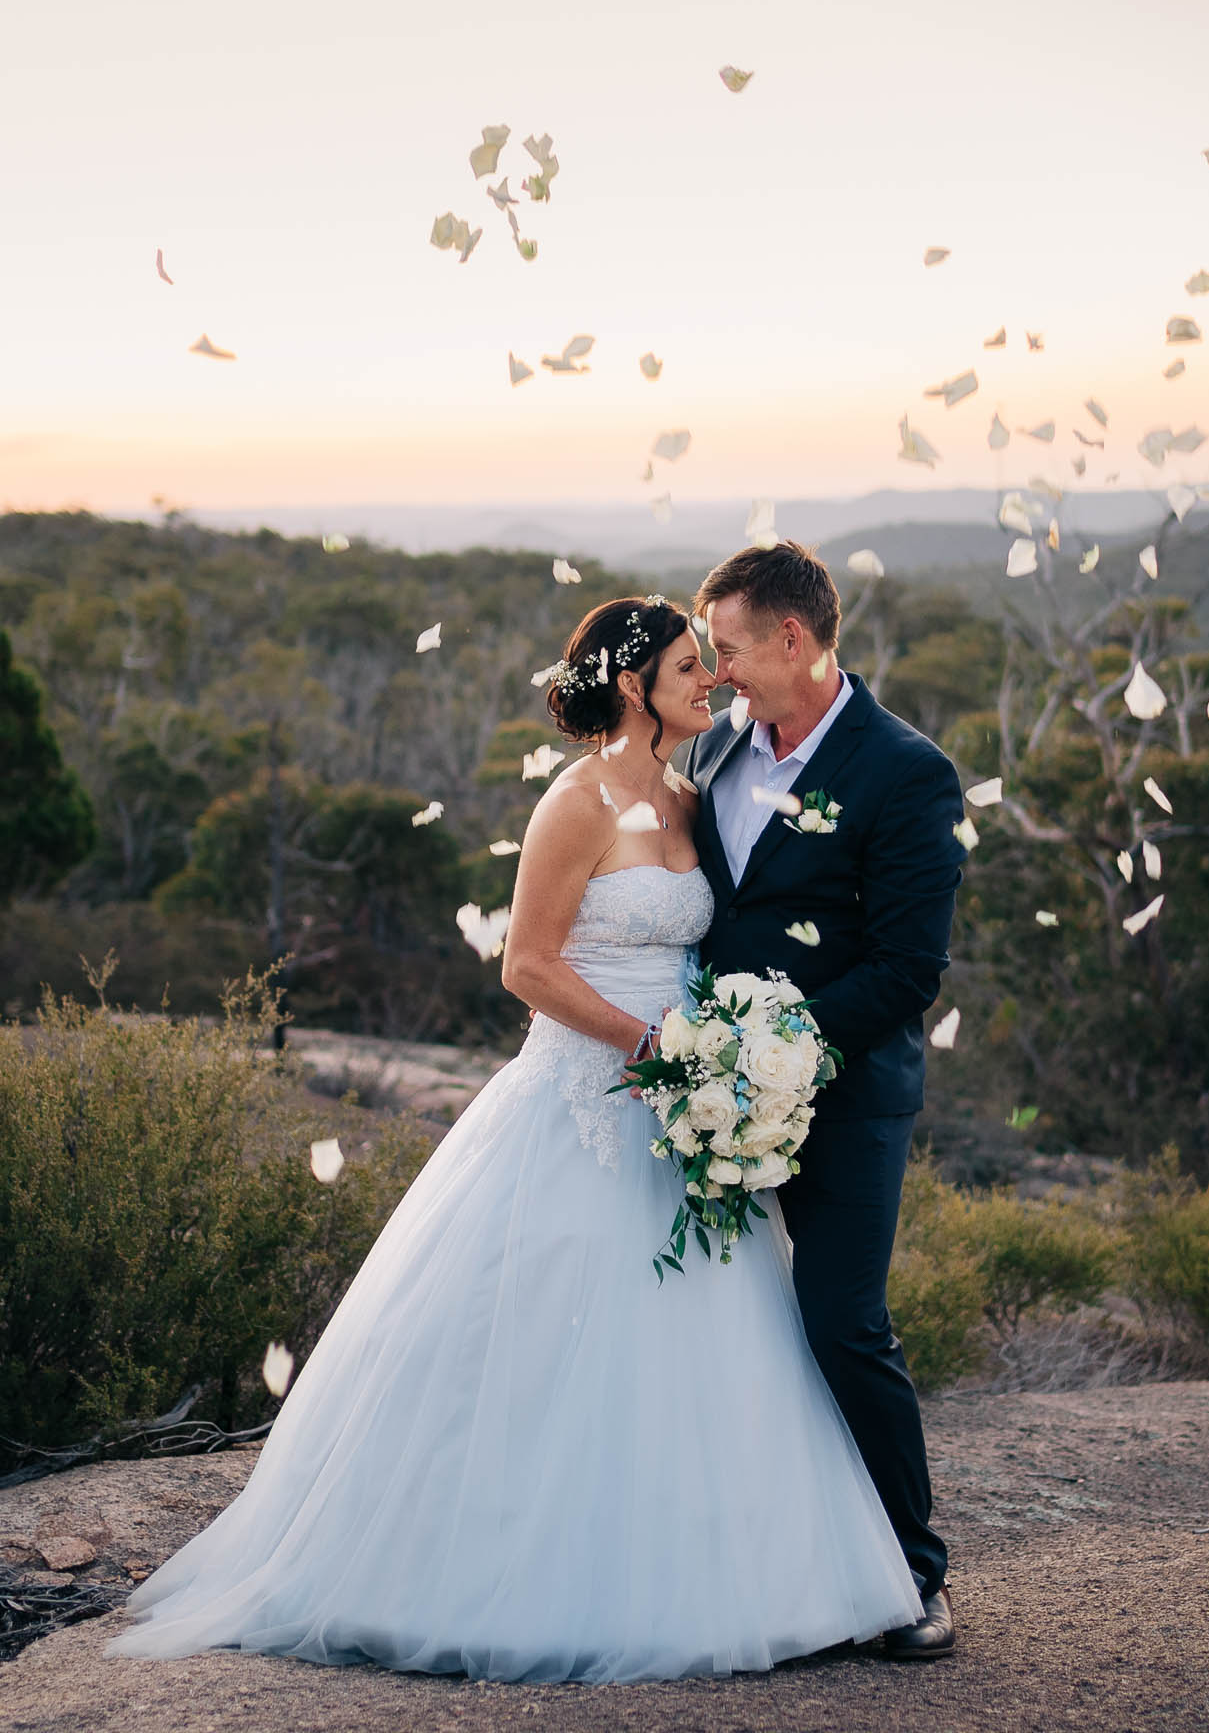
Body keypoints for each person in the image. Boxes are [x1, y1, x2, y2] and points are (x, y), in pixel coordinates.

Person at [104, 595, 923, 1684]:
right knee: (541, 1336)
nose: (709, 683)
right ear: (633, 685)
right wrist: (649, 1043)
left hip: (680, 1115)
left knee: (701, 1349)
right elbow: (526, 964)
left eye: (709, 662)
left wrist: (717, 1061)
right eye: (689, 665)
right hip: (583, 1094)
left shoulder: (694, 790)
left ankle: (728, 1566)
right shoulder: (574, 802)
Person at [685, 541, 966, 1660]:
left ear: (792, 640)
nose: (717, 672)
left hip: (846, 1099)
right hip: (708, 1097)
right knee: (718, 1325)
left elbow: (907, 969)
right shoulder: (709, 753)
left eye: (730, 647)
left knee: (840, 1320)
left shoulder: (908, 772)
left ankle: (910, 1570)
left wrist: (776, 1047)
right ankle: (753, 1558)